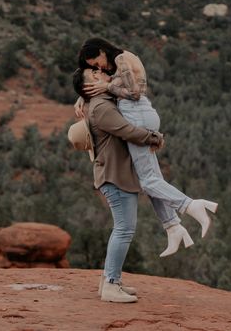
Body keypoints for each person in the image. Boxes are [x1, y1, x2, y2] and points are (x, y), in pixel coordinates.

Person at [75, 37, 218, 256]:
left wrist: (106, 86)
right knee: (151, 178)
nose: (98, 67)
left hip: (137, 116)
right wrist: (82, 97)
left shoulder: (122, 58)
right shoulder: (115, 63)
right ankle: (173, 227)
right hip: (139, 115)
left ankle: (191, 206)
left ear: (102, 50)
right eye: (93, 67)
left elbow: (134, 92)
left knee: (148, 180)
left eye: (96, 61)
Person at [72, 66, 165, 303]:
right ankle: (111, 285)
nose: (104, 71)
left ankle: (109, 280)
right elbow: (127, 131)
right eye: (97, 70)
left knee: (122, 229)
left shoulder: (101, 100)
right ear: (92, 77)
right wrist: (154, 137)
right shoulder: (102, 107)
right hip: (114, 176)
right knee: (124, 230)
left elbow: (127, 87)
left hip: (116, 174)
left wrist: (81, 96)